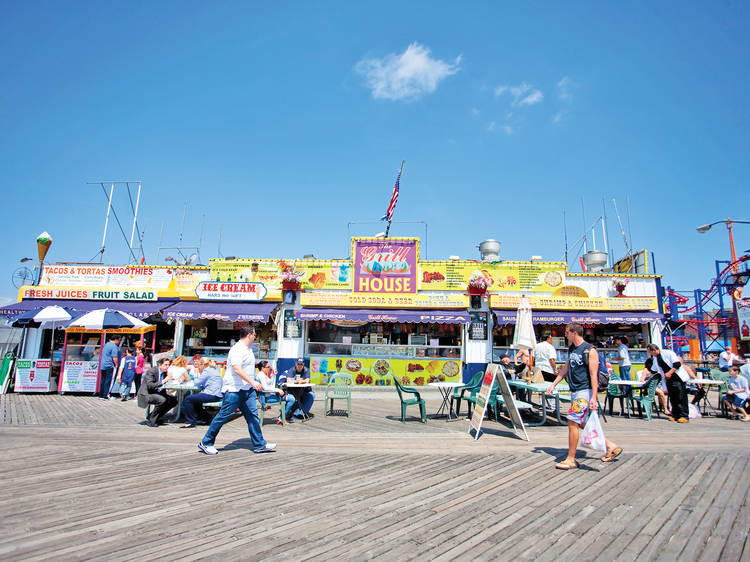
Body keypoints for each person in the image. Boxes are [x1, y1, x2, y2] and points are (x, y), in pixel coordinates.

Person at [546, 323, 622, 469]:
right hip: (575, 390)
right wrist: (553, 384)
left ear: (575, 333)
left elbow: (594, 375)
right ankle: (610, 446)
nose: (565, 335)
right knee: (580, 423)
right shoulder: (572, 349)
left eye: (567, 332)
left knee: (572, 422)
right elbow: (566, 369)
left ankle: (571, 459)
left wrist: (594, 397)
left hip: (584, 391)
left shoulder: (590, 350)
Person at [198, 325, 276, 455]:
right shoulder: (237, 350)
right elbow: (237, 369)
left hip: (247, 390)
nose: (256, 337)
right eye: (255, 334)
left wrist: (252, 383)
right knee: (223, 416)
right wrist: (253, 382)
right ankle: (206, 442)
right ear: (250, 334)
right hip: (234, 389)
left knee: (252, 417)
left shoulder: (248, 350)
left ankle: (259, 444)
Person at [644, 344, 690, 423]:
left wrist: (670, 373)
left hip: (677, 377)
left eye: (651, 352)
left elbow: (677, 364)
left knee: (680, 396)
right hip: (668, 379)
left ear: (654, 350)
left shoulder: (668, 353)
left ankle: (684, 415)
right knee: (672, 396)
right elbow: (653, 370)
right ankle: (675, 414)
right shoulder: (656, 359)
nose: (651, 354)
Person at [181, 358, 223, 428]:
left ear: (203, 365)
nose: (198, 367)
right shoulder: (213, 370)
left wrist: (196, 374)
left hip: (212, 394)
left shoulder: (207, 371)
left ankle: (190, 421)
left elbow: (197, 382)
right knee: (195, 400)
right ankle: (206, 418)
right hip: (216, 394)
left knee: (188, 399)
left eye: (199, 365)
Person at [137, 358, 178, 427]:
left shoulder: (165, 372)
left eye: (168, 365)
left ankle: (155, 417)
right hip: (146, 393)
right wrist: (164, 380)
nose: (167, 366)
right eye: (165, 365)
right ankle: (151, 421)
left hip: (157, 392)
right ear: (160, 365)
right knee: (162, 400)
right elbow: (150, 385)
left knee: (173, 401)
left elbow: (162, 385)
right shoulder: (152, 371)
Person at [256, 360, 296, 424]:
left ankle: (281, 417)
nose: (269, 368)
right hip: (267, 398)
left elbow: (270, 382)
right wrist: (278, 390)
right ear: (263, 368)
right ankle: (281, 418)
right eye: (268, 367)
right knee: (292, 399)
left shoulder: (262, 375)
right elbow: (265, 388)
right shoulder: (261, 376)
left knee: (291, 397)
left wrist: (273, 374)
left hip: (269, 396)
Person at [98, 335, 122, 400]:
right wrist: (116, 365)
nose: (119, 342)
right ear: (115, 340)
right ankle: (106, 395)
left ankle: (101, 395)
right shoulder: (114, 346)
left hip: (103, 365)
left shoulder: (106, 345)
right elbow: (114, 357)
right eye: (119, 340)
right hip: (110, 365)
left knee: (103, 380)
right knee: (109, 381)